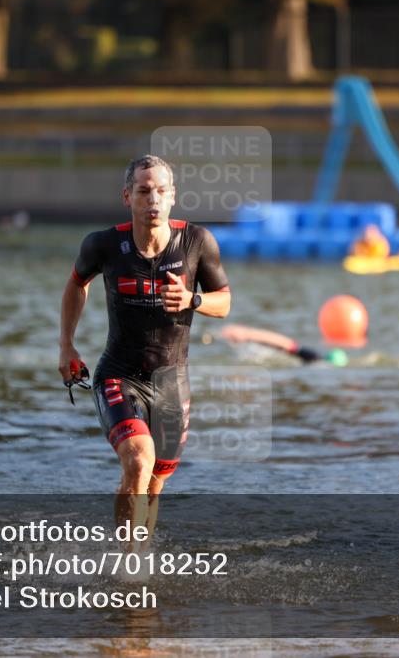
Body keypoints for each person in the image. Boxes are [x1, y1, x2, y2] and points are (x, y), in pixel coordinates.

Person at [58, 154, 231, 551]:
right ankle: (129, 564)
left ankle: (138, 557)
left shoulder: (196, 241)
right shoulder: (103, 244)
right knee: (139, 459)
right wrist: (66, 344)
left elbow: (224, 302)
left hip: (173, 381)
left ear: (173, 197)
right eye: (143, 191)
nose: (152, 199)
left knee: (154, 484)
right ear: (127, 197)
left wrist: (192, 299)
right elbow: (76, 284)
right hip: (119, 373)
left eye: (161, 191)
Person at [218, 324, 348, 367]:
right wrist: (247, 334)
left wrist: (248, 334)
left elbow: (284, 343)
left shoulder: (312, 357)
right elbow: (286, 344)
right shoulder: (313, 357)